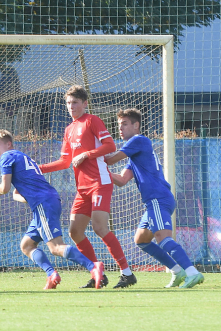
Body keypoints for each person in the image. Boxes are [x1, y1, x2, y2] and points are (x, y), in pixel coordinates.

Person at [38, 85, 128, 289]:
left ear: (84, 103)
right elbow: (63, 162)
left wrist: (87, 154)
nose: (71, 106)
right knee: (75, 231)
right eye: (68, 103)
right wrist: (38, 168)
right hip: (83, 188)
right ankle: (98, 273)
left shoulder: (92, 121)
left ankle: (126, 272)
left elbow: (110, 146)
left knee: (99, 227)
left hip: (99, 182)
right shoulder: (69, 130)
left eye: (75, 102)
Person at [0, 129, 104, 289]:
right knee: (27, 245)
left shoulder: (7, 157)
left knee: (56, 247)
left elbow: (5, 187)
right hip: (45, 202)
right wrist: (18, 195)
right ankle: (51, 274)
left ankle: (93, 267)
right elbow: (21, 193)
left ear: (8, 144)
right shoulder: (22, 157)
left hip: (43, 203)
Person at [105, 109, 204, 288]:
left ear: (136, 125)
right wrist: (100, 169)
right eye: (119, 125)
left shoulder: (139, 140)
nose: (120, 128)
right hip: (153, 202)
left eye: (125, 124)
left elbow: (111, 159)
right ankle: (177, 271)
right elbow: (121, 180)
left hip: (158, 199)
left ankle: (192, 272)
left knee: (163, 238)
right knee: (141, 240)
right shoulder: (134, 156)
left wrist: (91, 156)